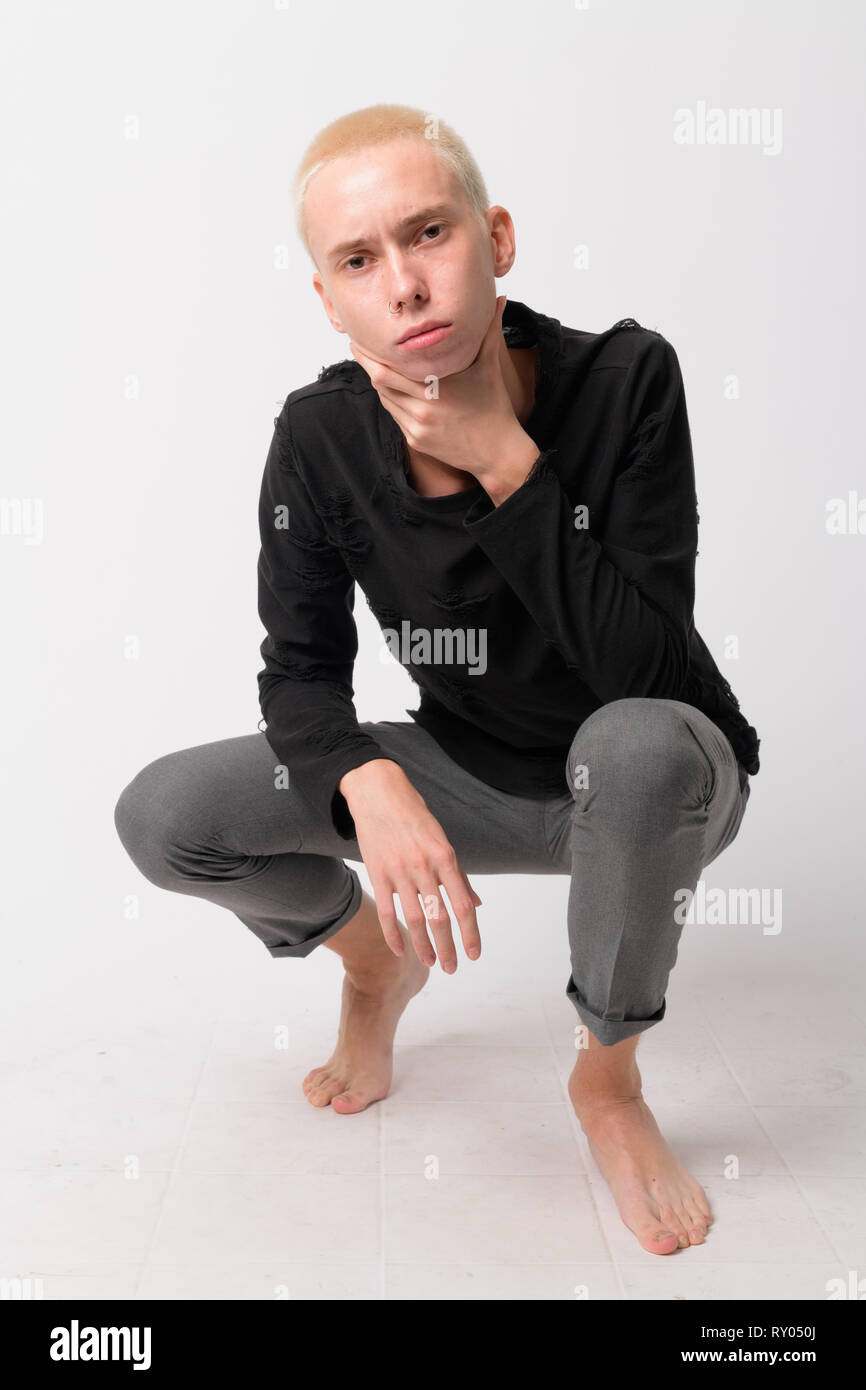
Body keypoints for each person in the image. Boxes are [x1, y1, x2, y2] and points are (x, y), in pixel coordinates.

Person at [114, 103, 761, 1258]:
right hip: (467, 772)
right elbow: (299, 673)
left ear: (494, 237)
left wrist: (505, 462)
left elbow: (653, 673)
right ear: (327, 297)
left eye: (427, 235)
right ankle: (376, 964)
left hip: (659, 787)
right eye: (359, 260)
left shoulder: (623, 380)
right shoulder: (318, 437)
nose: (404, 285)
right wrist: (367, 776)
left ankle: (606, 1083)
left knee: (639, 744)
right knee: (166, 815)